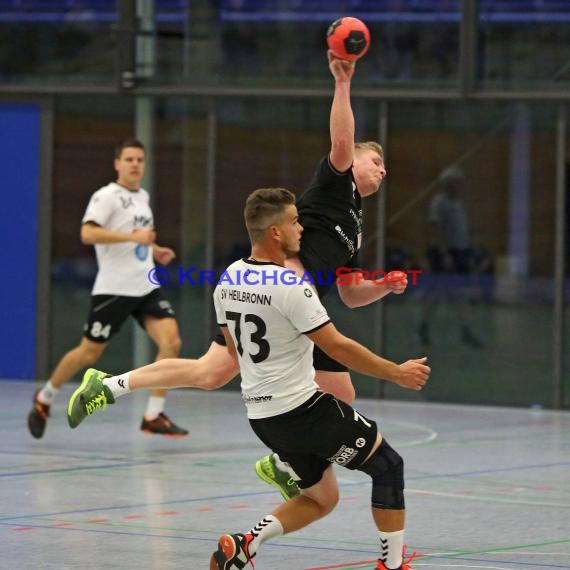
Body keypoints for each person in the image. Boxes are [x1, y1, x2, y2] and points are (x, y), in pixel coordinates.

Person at [68, 51, 405, 499]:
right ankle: (110, 386)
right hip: (271, 294)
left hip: (298, 308)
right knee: (229, 376)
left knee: (242, 379)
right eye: (375, 162)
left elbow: (349, 293)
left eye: (384, 167)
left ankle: (279, 459)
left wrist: (381, 286)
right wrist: (343, 82)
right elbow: (342, 142)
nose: (382, 170)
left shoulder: (354, 225)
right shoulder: (334, 184)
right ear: (354, 163)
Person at [68, 188, 429, 570]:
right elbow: (337, 347)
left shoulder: (228, 279)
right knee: (387, 465)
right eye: (293, 221)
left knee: (320, 498)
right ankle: (392, 565)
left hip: (264, 418)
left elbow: (233, 348)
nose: (301, 227)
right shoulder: (293, 287)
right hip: (303, 410)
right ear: (275, 232)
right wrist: (396, 372)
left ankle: (244, 545)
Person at [27, 139, 188, 439]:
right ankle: (45, 396)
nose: (135, 164)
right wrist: (133, 239)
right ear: (117, 163)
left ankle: (153, 414)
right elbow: (87, 233)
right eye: (129, 159)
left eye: (140, 159)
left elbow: (138, 236)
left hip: (145, 285)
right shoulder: (106, 196)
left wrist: (155, 249)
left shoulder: (143, 196)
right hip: (114, 289)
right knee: (88, 353)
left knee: (172, 342)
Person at [417, 166, 491, 348]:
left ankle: (463, 330)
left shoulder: (459, 203)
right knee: (438, 292)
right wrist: (444, 253)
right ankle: (424, 328)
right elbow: (435, 229)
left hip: (460, 253)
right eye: (454, 183)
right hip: (446, 254)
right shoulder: (439, 203)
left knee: (457, 293)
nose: (458, 187)